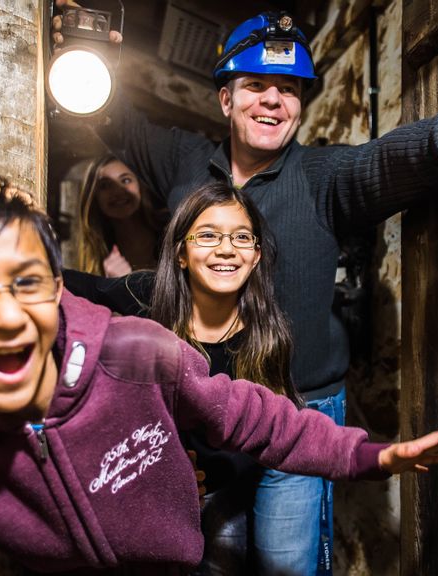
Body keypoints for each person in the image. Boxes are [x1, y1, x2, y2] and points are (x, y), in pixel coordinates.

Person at [54, 7, 438, 573]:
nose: (271, 101)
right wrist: (92, 56)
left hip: (300, 408)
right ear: (225, 100)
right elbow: (119, 121)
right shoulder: (184, 162)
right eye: (255, 85)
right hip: (209, 412)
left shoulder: (321, 176)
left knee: (289, 565)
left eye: (287, 89)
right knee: (212, 557)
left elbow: (384, 163)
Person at [0, 176, 438, 575]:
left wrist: (371, 454)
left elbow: (257, 417)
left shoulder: (137, 351)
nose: (6, 316)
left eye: (28, 282)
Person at [64, 181, 303, 574]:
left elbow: (264, 435)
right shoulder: (146, 295)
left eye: (241, 237)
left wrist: (204, 474)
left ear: (256, 255)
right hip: (147, 489)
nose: (226, 248)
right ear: (180, 253)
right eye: (207, 235)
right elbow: (66, 286)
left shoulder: (268, 333)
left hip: (224, 491)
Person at [76, 154, 166, 277]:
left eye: (126, 180)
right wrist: (115, 286)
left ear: (140, 185)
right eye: (105, 185)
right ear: (94, 197)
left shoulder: (170, 232)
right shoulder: (97, 253)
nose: (118, 191)